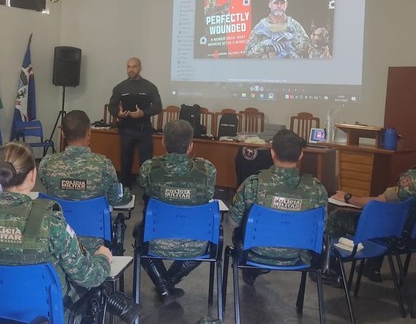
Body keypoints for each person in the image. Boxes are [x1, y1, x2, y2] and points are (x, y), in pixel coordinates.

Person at [0, 142, 141, 323]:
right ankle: (120, 302)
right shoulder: (50, 221)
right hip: (47, 315)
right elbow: (88, 275)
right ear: (33, 175)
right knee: (95, 282)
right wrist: (102, 258)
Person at [229, 129, 328, 285]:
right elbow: (321, 227)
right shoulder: (317, 189)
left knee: (239, 232)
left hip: (256, 253)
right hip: (298, 256)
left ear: (272, 153)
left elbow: (233, 221)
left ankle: (252, 270)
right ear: (301, 155)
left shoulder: (253, 184)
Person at [135, 120, 216, 305]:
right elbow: (209, 194)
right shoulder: (207, 170)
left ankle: (164, 284)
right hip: (196, 243)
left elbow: (145, 189)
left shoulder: (149, 168)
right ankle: (168, 283)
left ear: (163, 142)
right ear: (191, 146)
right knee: (209, 240)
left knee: (139, 235)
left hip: (156, 241)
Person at [38, 110, 132, 252]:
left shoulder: (46, 164)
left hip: (57, 238)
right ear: (89, 133)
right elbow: (115, 198)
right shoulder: (103, 165)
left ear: (63, 133)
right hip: (95, 243)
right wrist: (128, 194)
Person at [323, 168, 416, 284]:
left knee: (336, 216)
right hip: (411, 235)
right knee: (387, 217)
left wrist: (348, 198)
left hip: (398, 234)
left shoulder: (411, 179)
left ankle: (331, 271)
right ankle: (371, 268)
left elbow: (380, 202)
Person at [108, 57, 162, 188]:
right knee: (125, 161)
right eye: (129, 67)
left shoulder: (149, 87)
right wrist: (118, 113)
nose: (131, 70)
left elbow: (158, 106)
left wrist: (143, 113)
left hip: (144, 130)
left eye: (134, 67)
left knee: (146, 162)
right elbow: (111, 107)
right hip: (126, 129)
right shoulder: (120, 87)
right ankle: (125, 189)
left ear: (140, 68)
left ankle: (147, 193)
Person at [245, 0, 311, 59]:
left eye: (282, 3)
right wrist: (264, 44)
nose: (279, 6)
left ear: (286, 5)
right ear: (270, 4)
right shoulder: (260, 27)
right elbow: (249, 53)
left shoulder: (294, 25)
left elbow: (308, 48)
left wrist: (292, 37)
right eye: (276, 3)